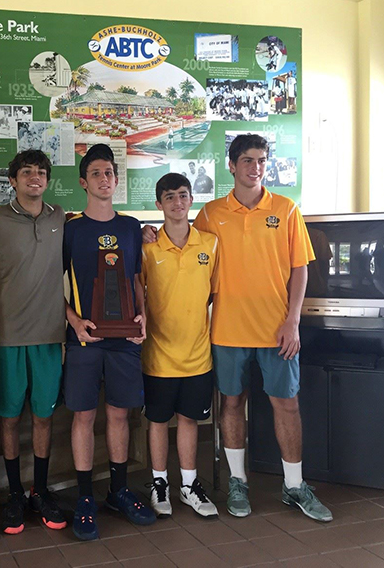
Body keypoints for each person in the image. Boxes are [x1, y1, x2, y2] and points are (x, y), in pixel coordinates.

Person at [193, 134, 332, 522]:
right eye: (248, 161)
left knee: (286, 405)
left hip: (278, 332)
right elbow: (192, 261)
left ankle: (293, 486)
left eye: (261, 161)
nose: (256, 168)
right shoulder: (209, 214)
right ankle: (238, 482)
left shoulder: (286, 210)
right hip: (227, 330)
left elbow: (300, 268)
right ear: (232, 165)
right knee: (232, 404)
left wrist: (293, 321)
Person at [63, 143, 155, 541]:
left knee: (119, 415)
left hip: (124, 339)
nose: (104, 179)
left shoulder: (132, 227)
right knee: (83, 416)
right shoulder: (70, 229)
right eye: (96, 173)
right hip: (84, 338)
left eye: (109, 173)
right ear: (84, 182)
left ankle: (118, 490)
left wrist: (143, 314)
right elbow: (53, 283)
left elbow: (137, 278)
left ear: (117, 181)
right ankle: (85, 497)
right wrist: (73, 321)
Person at [0, 150, 67, 535]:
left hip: (50, 335)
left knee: (44, 416)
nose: (35, 177)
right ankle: (14, 493)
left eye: (41, 172)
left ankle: (39, 490)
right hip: (8, 337)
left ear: (47, 180)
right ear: (12, 180)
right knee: (10, 418)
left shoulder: (60, 217)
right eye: (26, 172)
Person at [141, 173, 219, 519]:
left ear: (191, 200)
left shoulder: (210, 244)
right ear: (159, 203)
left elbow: (214, 293)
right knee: (158, 420)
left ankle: (189, 484)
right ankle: (160, 484)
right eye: (169, 197)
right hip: (157, 354)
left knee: (189, 420)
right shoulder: (146, 246)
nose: (177, 202)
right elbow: (134, 294)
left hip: (197, 355)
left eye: (183, 195)